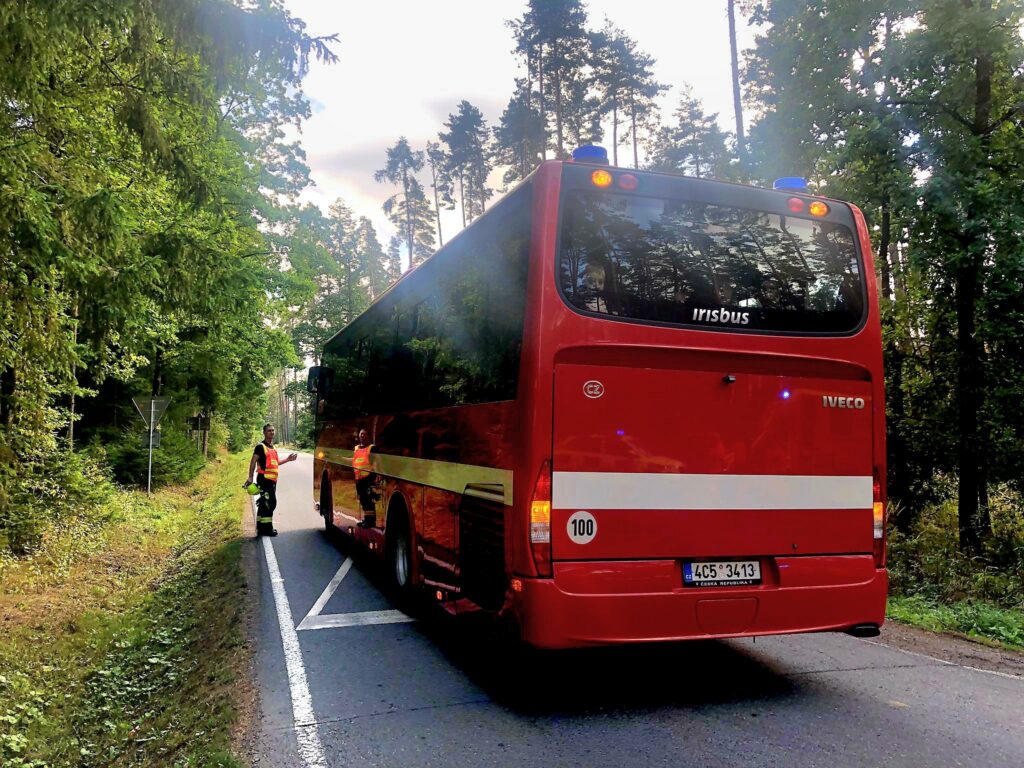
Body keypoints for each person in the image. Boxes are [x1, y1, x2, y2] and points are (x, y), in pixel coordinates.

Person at [244, 423, 298, 536]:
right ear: (264, 432)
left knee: (264, 503)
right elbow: (253, 461)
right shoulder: (260, 447)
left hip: (272, 481)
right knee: (271, 503)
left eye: (273, 430)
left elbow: (275, 464)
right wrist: (250, 476)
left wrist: (287, 460)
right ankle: (267, 529)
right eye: (269, 430)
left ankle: (260, 527)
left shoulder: (273, 448)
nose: (272, 432)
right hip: (264, 479)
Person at [353, 427, 378, 527]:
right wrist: (341, 458)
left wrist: (375, 476)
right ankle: (366, 520)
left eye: (364, 434)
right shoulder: (356, 448)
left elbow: (376, 463)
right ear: (358, 435)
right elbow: (353, 460)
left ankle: (371, 522)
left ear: (368, 436)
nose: (362, 435)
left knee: (369, 501)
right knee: (363, 500)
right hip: (359, 479)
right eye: (361, 434)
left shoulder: (371, 448)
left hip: (368, 478)